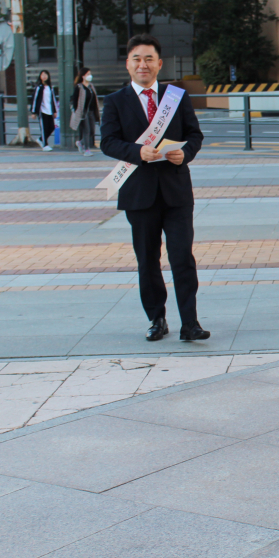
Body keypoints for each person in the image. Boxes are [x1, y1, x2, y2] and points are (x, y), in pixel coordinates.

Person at [100, 34, 209, 343]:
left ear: (159, 64)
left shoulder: (176, 96)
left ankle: (190, 322)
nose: (143, 64)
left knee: (182, 257)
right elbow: (107, 142)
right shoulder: (115, 101)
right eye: (137, 59)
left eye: (149, 59)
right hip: (138, 193)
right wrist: (138, 152)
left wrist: (184, 154)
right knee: (148, 260)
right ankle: (156, 318)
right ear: (128, 64)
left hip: (176, 191)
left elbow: (195, 135)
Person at [71, 67, 100, 156]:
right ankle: (87, 149)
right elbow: (74, 100)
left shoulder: (91, 87)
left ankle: (81, 142)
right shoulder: (79, 87)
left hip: (91, 112)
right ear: (83, 76)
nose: (90, 76)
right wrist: (77, 111)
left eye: (90, 74)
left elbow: (95, 100)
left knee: (92, 131)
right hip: (83, 113)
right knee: (86, 131)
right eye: (88, 74)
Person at [31, 70, 57, 150]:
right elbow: (34, 99)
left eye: (46, 74)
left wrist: (55, 111)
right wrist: (33, 112)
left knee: (52, 127)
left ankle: (40, 139)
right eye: (42, 75)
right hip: (42, 111)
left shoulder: (50, 87)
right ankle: (45, 145)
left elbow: (53, 99)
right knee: (44, 128)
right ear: (40, 77)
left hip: (49, 111)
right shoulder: (39, 87)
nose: (44, 76)